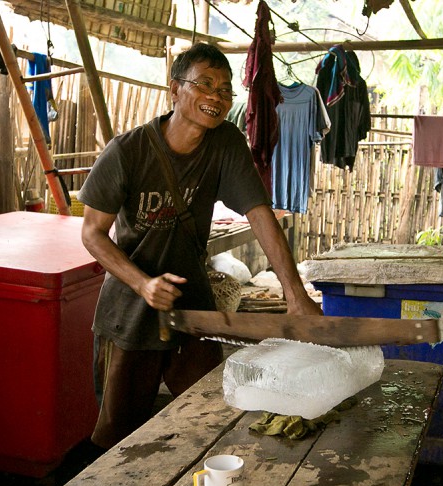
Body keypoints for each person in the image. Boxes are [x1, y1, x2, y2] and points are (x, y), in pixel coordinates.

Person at [77, 42, 322, 450]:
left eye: (225, 90)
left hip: (193, 305)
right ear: (175, 89)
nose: (216, 97)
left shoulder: (225, 142)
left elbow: (259, 213)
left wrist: (295, 296)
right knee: (118, 440)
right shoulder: (127, 152)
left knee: (212, 418)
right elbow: (91, 234)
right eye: (204, 84)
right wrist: (142, 284)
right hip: (131, 311)